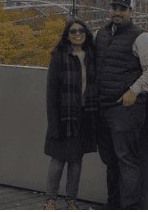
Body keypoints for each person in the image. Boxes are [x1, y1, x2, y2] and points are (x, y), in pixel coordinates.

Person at [95, 0, 148, 210]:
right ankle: (112, 205)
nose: (118, 12)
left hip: (126, 110)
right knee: (110, 160)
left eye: (123, 9)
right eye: (114, 8)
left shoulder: (141, 37)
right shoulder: (101, 34)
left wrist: (134, 90)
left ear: (131, 12)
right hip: (103, 107)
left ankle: (130, 207)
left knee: (126, 160)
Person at [44, 18, 98, 210]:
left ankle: (71, 202)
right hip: (63, 116)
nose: (77, 35)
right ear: (67, 35)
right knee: (58, 160)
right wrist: (53, 123)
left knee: (76, 160)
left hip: (84, 116)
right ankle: (50, 201)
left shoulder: (92, 55)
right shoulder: (59, 56)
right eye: (73, 31)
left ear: (86, 34)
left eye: (81, 31)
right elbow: (51, 93)